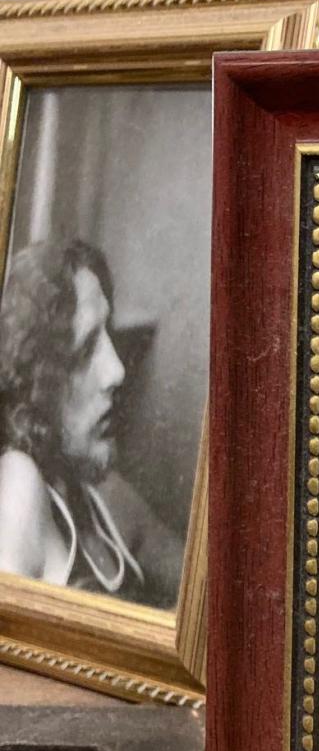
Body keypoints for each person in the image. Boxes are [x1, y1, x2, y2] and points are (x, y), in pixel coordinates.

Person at [0, 239, 182, 608]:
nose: (116, 371)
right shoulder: (19, 483)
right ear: (35, 381)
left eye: (108, 337)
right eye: (85, 351)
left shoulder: (102, 493)